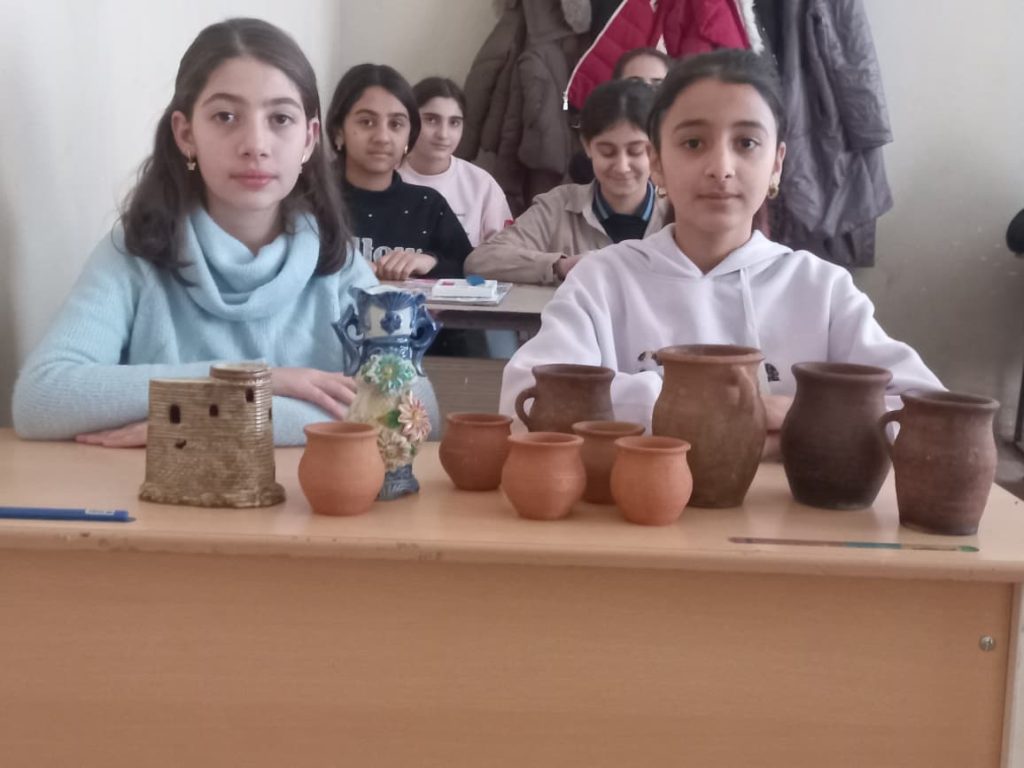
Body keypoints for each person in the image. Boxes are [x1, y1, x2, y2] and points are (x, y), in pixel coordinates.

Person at [11, 18, 437, 447]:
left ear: (308, 140)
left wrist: (222, 419)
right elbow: (41, 398)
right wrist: (255, 380)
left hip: (301, 491)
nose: (256, 144)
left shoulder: (337, 265)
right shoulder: (136, 251)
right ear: (186, 134)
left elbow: (415, 411)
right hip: (158, 491)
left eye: (280, 118)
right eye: (225, 116)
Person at [498, 49, 942, 453]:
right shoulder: (602, 279)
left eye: (746, 143)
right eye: (693, 143)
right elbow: (526, 396)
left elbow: (926, 412)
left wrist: (799, 412)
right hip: (638, 510)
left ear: (777, 163)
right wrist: (720, 409)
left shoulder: (820, 289)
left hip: (788, 513)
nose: (721, 168)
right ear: (657, 163)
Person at [465, 79, 670, 285]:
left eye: (636, 151)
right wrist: (560, 266)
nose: (622, 166)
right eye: (607, 152)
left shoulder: (677, 211)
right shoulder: (557, 207)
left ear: (657, 147)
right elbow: (480, 261)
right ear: (587, 146)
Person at [325, 64, 471, 280]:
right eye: (367, 122)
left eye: (395, 124)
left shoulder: (429, 206)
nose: (382, 137)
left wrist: (430, 262)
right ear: (339, 131)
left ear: (409, 136)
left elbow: (472, 273)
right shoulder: (311, 202)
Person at [399, 77, 511, 247]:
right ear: (409, 119)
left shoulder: (482, 185)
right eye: (431, 120)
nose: (443, 134)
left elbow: (504, 253)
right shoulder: (386, 177)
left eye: (454, 122)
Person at [568, 47, 674, 184]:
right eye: (636, 84)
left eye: (657, 85)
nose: (646, 93)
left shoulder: (687, 152)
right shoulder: (588, 166)